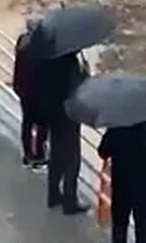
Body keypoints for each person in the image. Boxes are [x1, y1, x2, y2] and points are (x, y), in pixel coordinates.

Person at [98, 120, 146, 243]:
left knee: (119, 224)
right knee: (143, 226)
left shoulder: (115, 129)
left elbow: (102, 152)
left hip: (121, 184)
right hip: (143, 186)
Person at [37, 51, 90, 214]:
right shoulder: (71, 64)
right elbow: (78, 89)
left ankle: (53, 195)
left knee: (56, 155)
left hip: (53, 113)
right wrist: (85, 74)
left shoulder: (48, 59)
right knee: (72, 160)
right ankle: (70, 201)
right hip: (69, 116)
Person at [13, 20, 48, 168]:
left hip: (24, 91)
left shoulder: (22, 43)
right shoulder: (41, 50)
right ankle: (40, 154)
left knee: (27, 123)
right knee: (42, 124)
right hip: (39, 93)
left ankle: (28, 154)